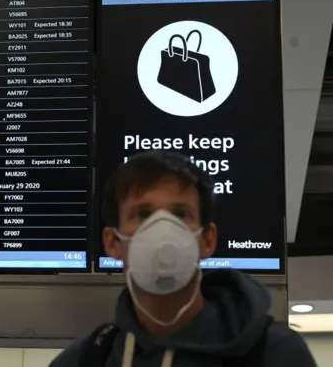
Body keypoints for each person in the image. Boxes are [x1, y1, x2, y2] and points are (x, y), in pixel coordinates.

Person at [49, 150, 316, 367]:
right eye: (142, 214)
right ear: (113, 242)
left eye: (180, 215)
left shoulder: (276, 354)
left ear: (207, 239)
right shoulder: (84, 360)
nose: (162, 232)